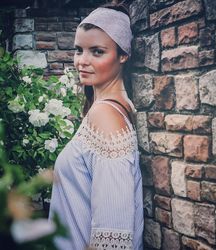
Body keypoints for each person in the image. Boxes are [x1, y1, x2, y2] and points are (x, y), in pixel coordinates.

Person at [49, 2, 144, 250]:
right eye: (79, 50)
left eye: (97, 51)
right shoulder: (106, 108)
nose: (82, 61)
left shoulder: (106, 116)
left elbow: (113, 234)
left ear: (123, 55)